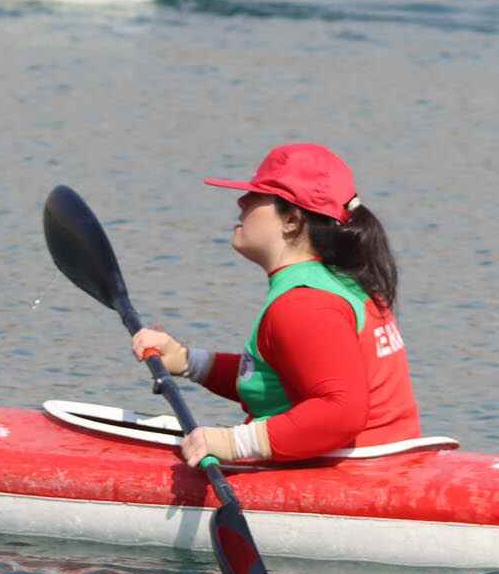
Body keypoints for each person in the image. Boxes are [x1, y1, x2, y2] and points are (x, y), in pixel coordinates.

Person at [131, 143, 420, 468]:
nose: (242, 201)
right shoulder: (342, 281)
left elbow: (341, 413)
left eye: (257, 195)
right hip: (395, 466)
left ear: (292, 220)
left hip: (354, 478)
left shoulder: (304, 304)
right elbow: (280, 378)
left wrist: (233, 443)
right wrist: (190, 362)